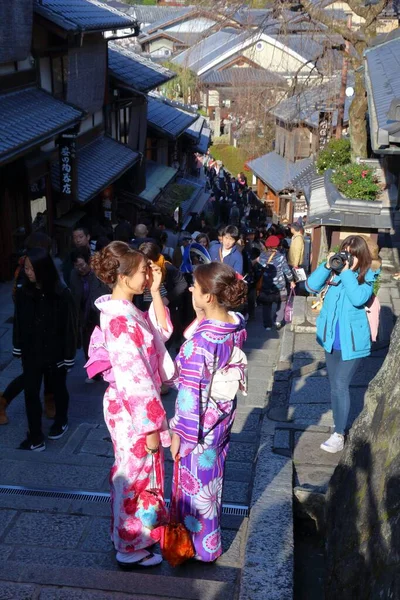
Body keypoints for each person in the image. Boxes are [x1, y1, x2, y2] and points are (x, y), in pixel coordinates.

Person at [89, 242, 173, 568]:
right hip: (131, 409)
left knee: (133, 473)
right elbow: (135, 378)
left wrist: (154, 288)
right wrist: (151, 426)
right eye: (142, 272)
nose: (146, 275)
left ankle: (128, 536)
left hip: (129, 406)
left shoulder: (123, 310)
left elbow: (161, 331)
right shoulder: (120, 321)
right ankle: (128, 544)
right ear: (123, 276)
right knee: (133, 476)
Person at [169, 262, 248, 562]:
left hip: (199, 427)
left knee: (195, 489)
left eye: (195, 287)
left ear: (209, 296)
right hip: (222, 418)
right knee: (212, 485)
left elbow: (189, 395)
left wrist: (180, 434)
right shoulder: (234, 325)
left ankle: (198, 549)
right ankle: (211, 544)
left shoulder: (202, 343)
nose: (190, 289)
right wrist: (201, 314)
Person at [306, 236, 377, 454]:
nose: (347, 258)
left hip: (352, 343)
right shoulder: (334, 274)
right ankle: (338, 428)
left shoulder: (367, 278)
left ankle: (339, 434)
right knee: (335, 386)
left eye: (352, 254)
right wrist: (327, 265)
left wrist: (346, 273)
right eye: (345, 252)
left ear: (361, 256)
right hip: (331, 340)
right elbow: (310, 286)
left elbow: (358, 299)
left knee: (339, 384)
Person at [13, 248, 77, 451]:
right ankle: (35, 435)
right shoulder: (24, 292)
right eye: (26, 268)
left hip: (55, 352)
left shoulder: (61, 293)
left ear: (43, 268)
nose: (28, 272)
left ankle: (61, 420)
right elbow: (18, 321)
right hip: (31, 352)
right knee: (31, 392)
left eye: (32, 268)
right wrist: (17, 346)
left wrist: (68, 355)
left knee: (58, 388)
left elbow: (69, 326)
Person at [69, 247, 109, 379]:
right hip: (83, 316)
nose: (79, 268)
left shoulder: (97, 274)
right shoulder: (74, 276)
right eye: (76, 266)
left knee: (102, 344)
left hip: (97, 314)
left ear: (88, 262)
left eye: (81, 265)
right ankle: (94, 372)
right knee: (87, 344)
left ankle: (104, 369)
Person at [258, 235, 295, 330]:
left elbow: (259, 268)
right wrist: (291, 281)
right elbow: (287, 270)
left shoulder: (262, 255)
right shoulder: (281, 257)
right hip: (280, 285)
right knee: (281, 303)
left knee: (266, 305)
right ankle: (278, 321)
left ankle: (267, 325)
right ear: (278, 245)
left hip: (266, 283)